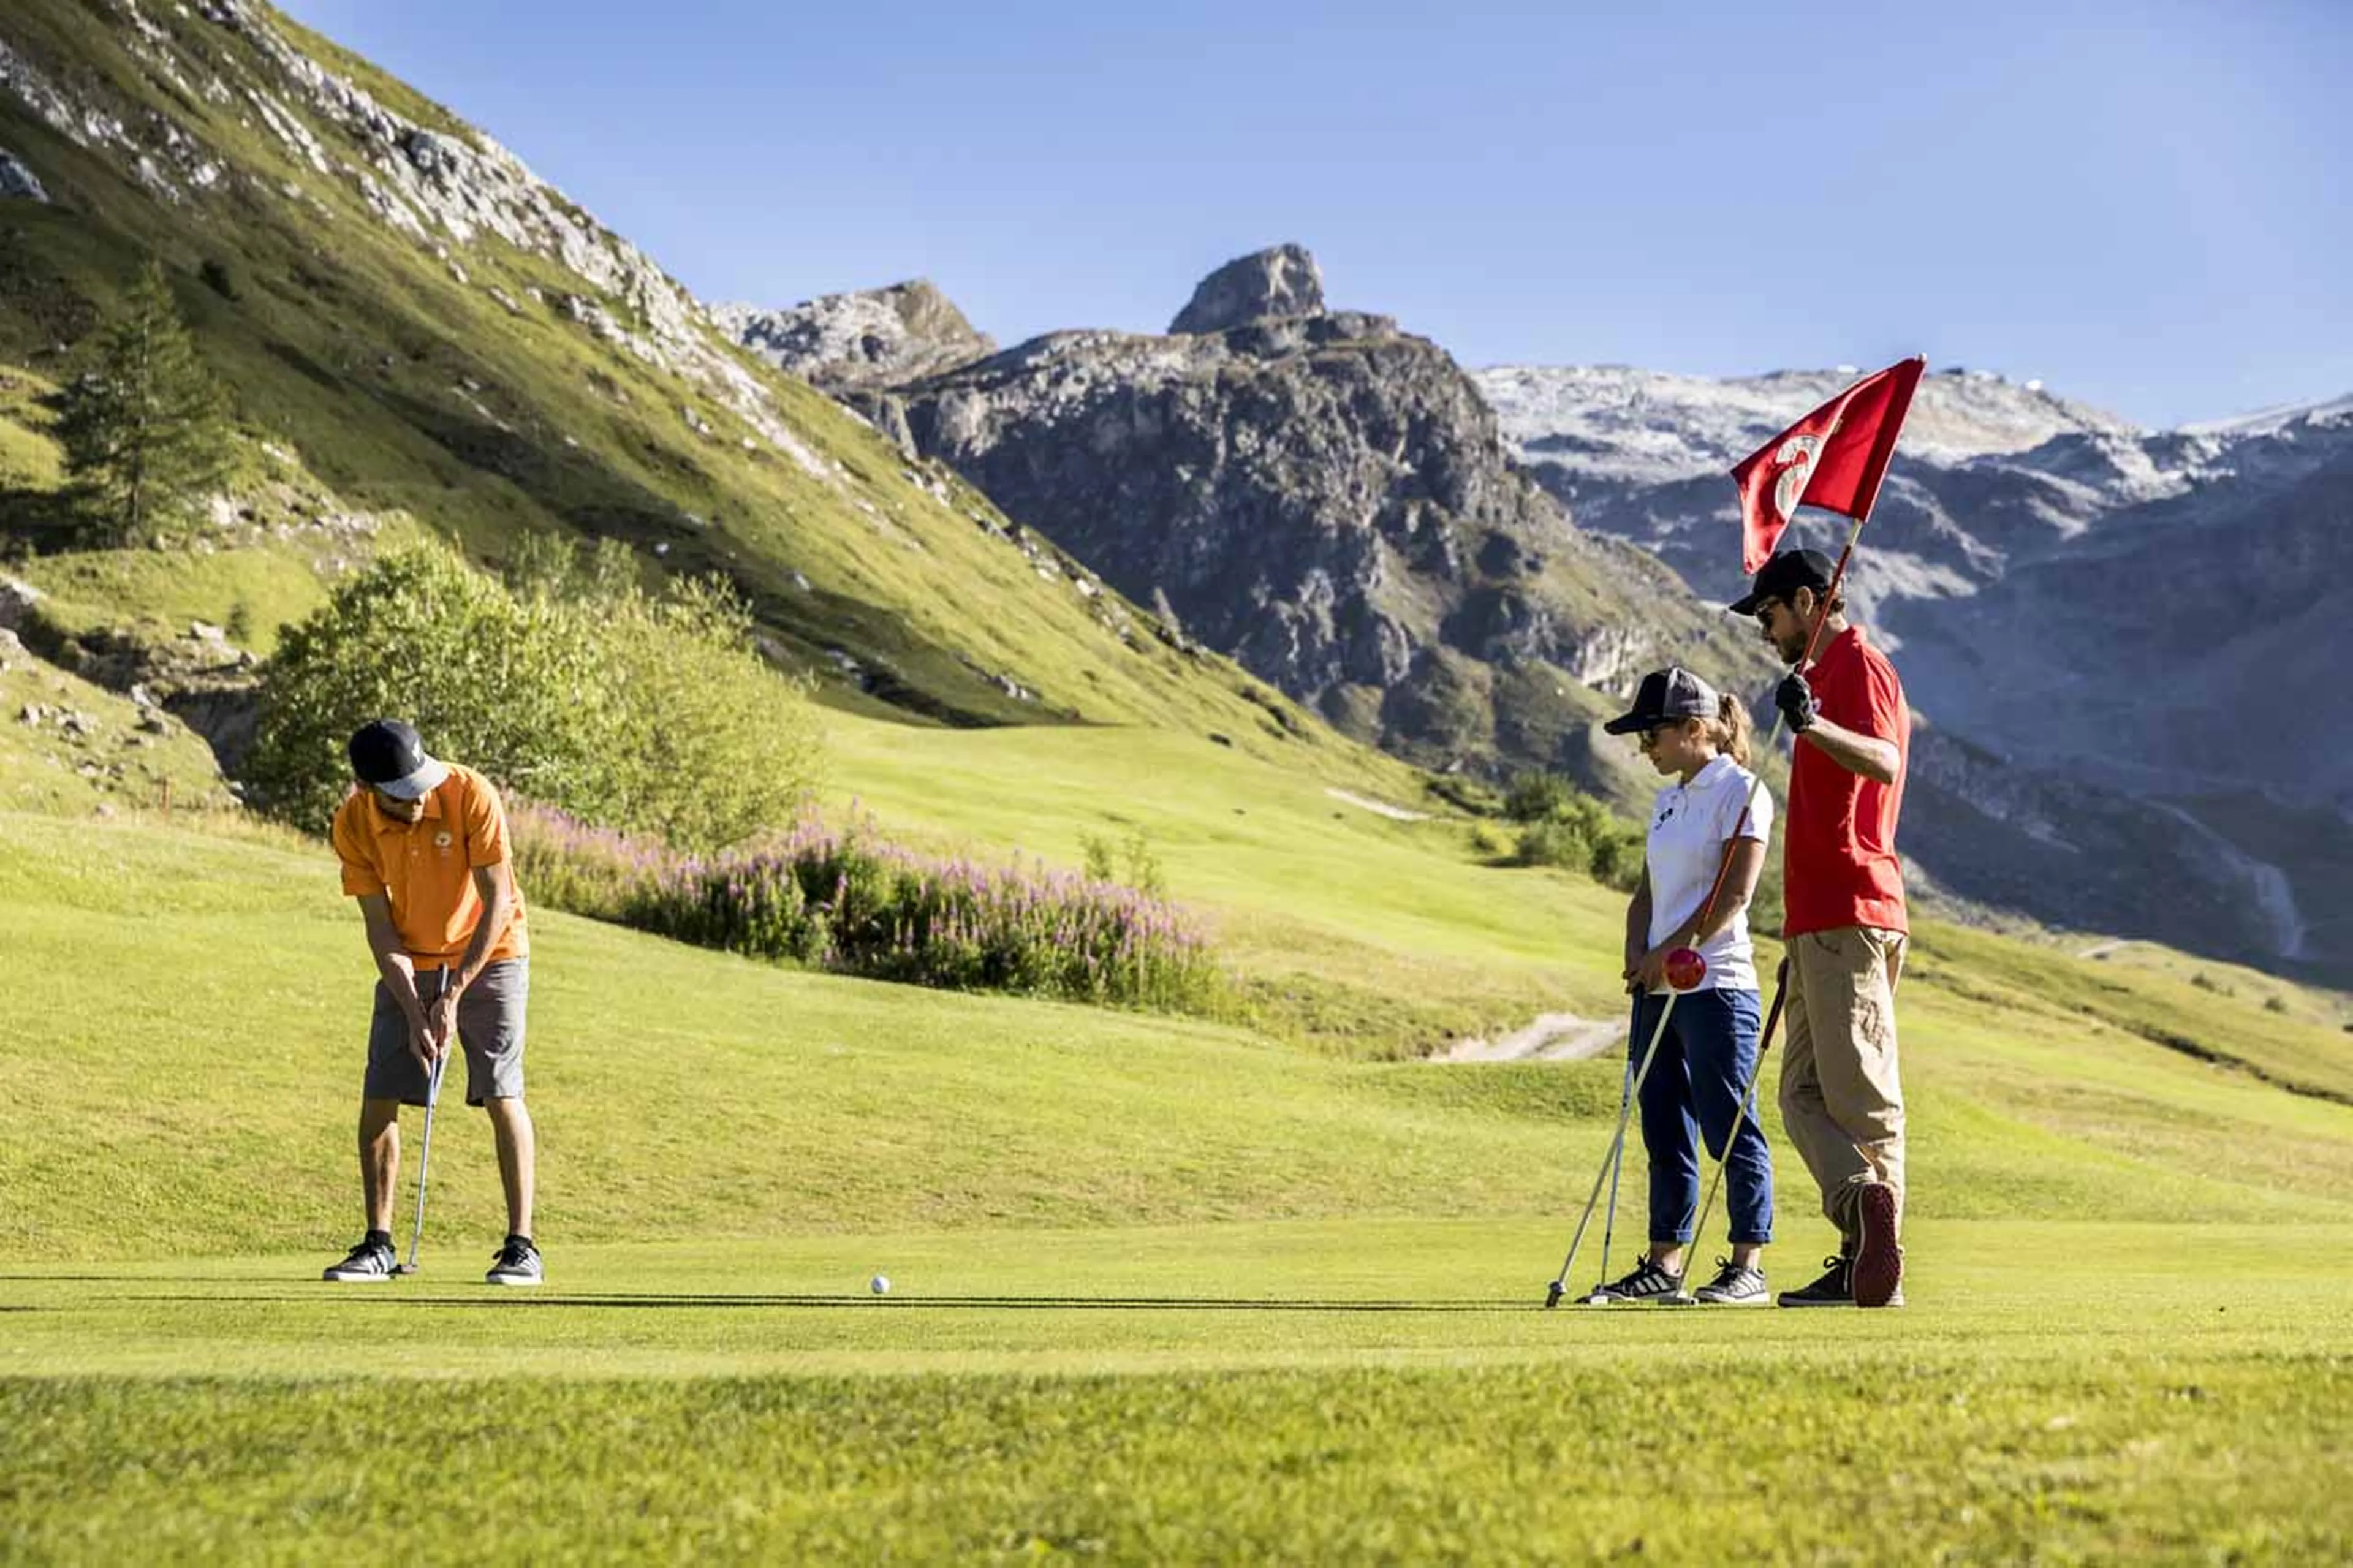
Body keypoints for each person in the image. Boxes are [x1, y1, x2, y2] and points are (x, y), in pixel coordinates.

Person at [1729, 549, 1911, 1309]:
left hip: (1853, 906)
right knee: (1800, 1094)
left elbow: (1884, 761)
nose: (1765, 631)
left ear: (1808, 601)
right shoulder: (1820, 674)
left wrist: (1814, 722)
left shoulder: (1857, 664)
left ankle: (1877, 1265)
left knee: (1861, 1097)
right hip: (1816, 923)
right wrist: (1793, 938)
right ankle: (1863, 1223)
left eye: (1770, 615)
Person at [319, 719, 542, 1287]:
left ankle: (522, 1247)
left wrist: (454, 993)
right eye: (402, 795)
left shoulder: (470, 794)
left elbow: (497, 901)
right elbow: (380, 928)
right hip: (412, 955)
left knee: (501, 1089)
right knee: (380, 1094)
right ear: (369, 790)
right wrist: (417, 1008)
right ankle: (378, 1245)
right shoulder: (352, 824)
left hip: (493, 950)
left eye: (420, 785)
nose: (418, 800)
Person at [1590, 665, 1777, 1306]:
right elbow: (1647, 892)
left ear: (1695, 729)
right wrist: (1637, 953)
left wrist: (1668, 954)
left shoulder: (1743, 792)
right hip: (1658, 987)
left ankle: (1748, 1265)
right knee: (1665, 1127)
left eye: (1654, 734)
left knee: (1729, 1125)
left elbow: (1733, 896)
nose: (1646, 747)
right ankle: (1663, 1265)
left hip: (1717, 985)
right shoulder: (1667, 802)